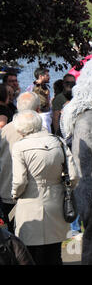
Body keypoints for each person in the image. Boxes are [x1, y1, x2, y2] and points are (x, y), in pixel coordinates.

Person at [11, 110, 80, 265]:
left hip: (30, 201)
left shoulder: (20, 147)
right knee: (54, 252)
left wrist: (15, 194)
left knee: (31, 254)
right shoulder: (59, 141)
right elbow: (74, 176)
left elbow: (20, 181)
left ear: (20, 128)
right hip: (56, 200)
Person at [0, 92, 41, 233]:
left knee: (11, 239)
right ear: (37, 110)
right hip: (34, 195)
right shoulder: (41, 132)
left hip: (7, 191)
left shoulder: (5, 131)